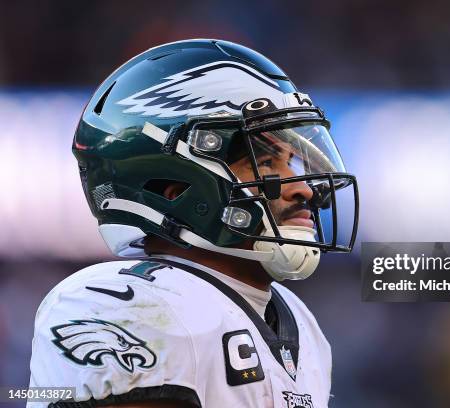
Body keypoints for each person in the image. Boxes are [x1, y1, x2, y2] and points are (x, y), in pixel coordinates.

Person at [27, 39, 359, 408]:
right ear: (174, 188)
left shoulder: (300, 322)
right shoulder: (125, 305)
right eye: (265, 163)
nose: (303, 189)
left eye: (292, 162)